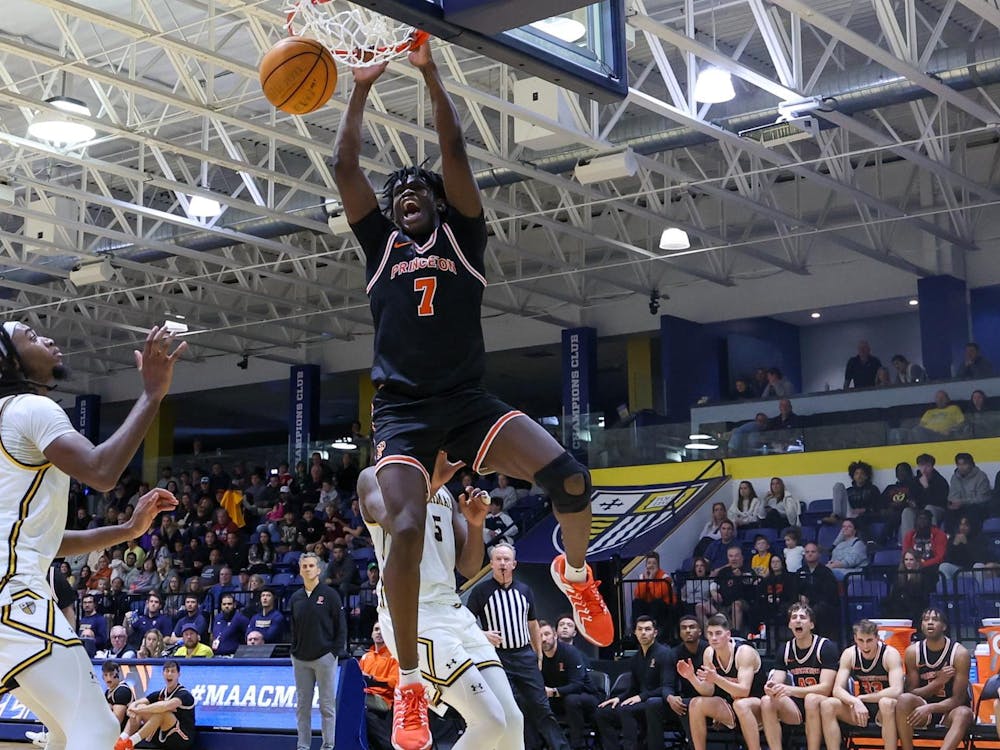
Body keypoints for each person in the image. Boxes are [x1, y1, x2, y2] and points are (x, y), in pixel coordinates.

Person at [333, 37, 611, 750]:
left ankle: (576, 575)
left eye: (420, 190)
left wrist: (428, 72)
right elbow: (344, 169)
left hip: (467, 402)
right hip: (402, 414)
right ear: (392, 214)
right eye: (401, 195)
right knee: (398, 527)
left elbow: (454, 152)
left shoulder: (463, 238)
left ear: (441, 204)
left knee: (571, 477)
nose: (410, 195)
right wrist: (361, 86)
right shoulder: (380, 250)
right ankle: (411, 687)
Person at [0, 320, 183, 750]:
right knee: (98, 730)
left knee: (65, 734)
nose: (46, 337)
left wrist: (128, 529)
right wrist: (153, 393)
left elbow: (46, 539)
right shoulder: (32, 408)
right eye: (29, 336)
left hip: (9, 593)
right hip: (15, 596)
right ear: (8, 360)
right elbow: (102, 472)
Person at [361, 461, 524, 750]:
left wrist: (476, 524)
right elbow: (398, 524)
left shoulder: (446, 493)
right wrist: (431, 484)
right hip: (413, 613)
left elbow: (469, 565)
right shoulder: (373, 477)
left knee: (512, 719)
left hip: (452, 608)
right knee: (490, 722)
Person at [467, 541, 562, 750]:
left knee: (542, 707)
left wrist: (538, 654)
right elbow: (464, 622)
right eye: (498, 559)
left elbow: (532, 623)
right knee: (507, 710)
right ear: (491, 564)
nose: (502, 563)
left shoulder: (525, 590)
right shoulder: (480, 592)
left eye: (506, 559)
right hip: (496, 658)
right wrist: (482, 634)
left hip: (524, 655)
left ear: (514, 564)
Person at [756, 604, 839, 750]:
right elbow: (778, 679)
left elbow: (826, 688)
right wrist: (771, 687)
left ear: (811, 624)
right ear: (789, 624)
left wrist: (790, 690)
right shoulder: (785, 649)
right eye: (794, 617)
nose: (798, 620)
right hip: (797, 705)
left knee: (811, 699)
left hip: (824, 704)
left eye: (802, 617)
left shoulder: (825, 647)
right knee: (767, 701)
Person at [288, 551, 346, 750]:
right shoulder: (295, 597)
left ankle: (328, 746)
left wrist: (333, 653)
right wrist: (293, 651)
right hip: (300, 659)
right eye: (304, 566)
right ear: (300, 570)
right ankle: (302, 746)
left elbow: (341, 627)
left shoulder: (330, 595)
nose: (307, 569)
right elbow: (293, 627)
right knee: (302, 707)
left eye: (311, 566)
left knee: (326, 706)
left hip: (324, 658)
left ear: (319, 570)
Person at [679, 613, 762, 750]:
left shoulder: (744, 652)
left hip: (757, 703)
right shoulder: (709, 653)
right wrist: (692, 678)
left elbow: (744, 690)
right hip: (731, 704)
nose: (714, 638)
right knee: (695, 703)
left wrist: (717, 678)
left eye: (718, 633)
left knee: (741, 704)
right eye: (710, 634)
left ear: (728, 635)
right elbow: (709, 690)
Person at [894, 609, 974, 750]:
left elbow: (958, 699)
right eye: (926, 619)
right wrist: (938, 682)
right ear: (921, 625)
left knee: (964, 713)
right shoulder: (912, 652)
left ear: (944, 626)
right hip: (923, 708)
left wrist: (931, 708)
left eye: (935, 619)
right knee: (904, 699)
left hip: (950, 711)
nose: (930, 622)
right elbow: (912, 692)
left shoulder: (959, 654)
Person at [819, 619, 904, 750]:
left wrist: (862, 699)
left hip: (887, 710)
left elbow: (896, 690)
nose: (865, 646)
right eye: (860, 640)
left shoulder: (890, 654)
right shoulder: (849, 654)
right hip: (862, 708)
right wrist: (855, 701)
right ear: (855, 638)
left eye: (869, 640)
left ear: (877, 638)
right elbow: (837, 689)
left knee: (886, 702)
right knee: (827, 705)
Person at [594, 616, 671, 750]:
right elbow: (633, 689)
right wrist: (617, 698)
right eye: (640, 629)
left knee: (626, 710)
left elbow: (667, 687)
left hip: (658, 703)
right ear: (635, 632)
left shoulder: (665, 654)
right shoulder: (636, 658)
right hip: (640, 703)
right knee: (602, 712)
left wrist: (641, 697)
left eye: (647, 629)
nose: (643, 633)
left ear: (655, 633)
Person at [646, 615, 709, 747]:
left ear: (700, 631)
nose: (688, 630)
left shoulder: (709, 650)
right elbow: (666, 684)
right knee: (653, 703)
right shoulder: (673, 653)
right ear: (680, 633)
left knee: (688, 704)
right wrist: (670, 697)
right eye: (684, 628)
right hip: (684, 701)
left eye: (692, 627)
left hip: (708, 700)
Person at [539, 619, 603, 750]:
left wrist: (553, 691)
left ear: (555, 635)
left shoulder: (570, 653)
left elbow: (577, 685)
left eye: (547, 634)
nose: (543, 639)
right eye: (539, 636)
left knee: (571, 700)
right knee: (528, 701)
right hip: (558, 698)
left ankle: (577, 746)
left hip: (586, 696)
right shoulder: (538, 656)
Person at [114, 660, 196, 750]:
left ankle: (131, 742)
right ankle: (122, 739)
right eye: (167, 671)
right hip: (163, 736)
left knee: (162, 713)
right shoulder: (161, 693)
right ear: (163, 674)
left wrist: (138, 710)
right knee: (140, 707)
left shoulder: (184, 694)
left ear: (178, 675)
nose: (169, 674)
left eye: (173, 671)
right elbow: (137, 702)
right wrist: (132, 708)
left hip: (182, 738)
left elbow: (165, 706)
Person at [359, 622, 398, 750]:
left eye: (382, 630)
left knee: (356, 703)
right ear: (371, 633)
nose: (379, 632)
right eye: (376, 629)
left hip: (382, 699)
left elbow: (393, 682)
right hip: (365, 695)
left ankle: (386, 746)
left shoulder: (393, 658)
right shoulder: (365, 657)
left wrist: (373, 679)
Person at [796, 544, 840, 642]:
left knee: (817, 610)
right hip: (803, 605)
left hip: (823, 605)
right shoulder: (800, 572)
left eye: (813, 552)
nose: (810, 554)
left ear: (819, 554)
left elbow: (830, 594)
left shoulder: (826, 572)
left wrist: (810, 600)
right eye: (807, 552)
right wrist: (799, 597)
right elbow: (794, 590)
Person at [900, 453, 949, 537]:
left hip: (937, 509)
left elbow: (939, 501)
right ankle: (908, 543)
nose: (924, 469)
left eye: (927, 466)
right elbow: (911, 496)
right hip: (919, 509)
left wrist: (927, 488)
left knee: (929, 509)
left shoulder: (940, 481)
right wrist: (912, 502)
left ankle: (930, 541)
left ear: (932, 466)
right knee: (907, 512)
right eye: (922, 466)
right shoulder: (915, 481)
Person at [631, 552, 675, 638]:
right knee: (637, 602)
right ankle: (636, 630)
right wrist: (646, 580)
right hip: (648, 605)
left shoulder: (665, 578)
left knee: (656, 602)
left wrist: (650, 580)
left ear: (658, 565)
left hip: (663, 607)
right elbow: (638, 595)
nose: (651, 565)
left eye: (654, 563)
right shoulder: (642, 576)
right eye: (649, 563)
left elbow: (658, 595)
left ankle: (652, 628)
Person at [946, 451, 991, 530]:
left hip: (979, 507)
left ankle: (972, 538)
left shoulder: (981, 476)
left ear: (971, 464)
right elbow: (952, 496)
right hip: (961, 507)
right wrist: (954, 503)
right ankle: (951, 537)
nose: (961, 467)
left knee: (973, 511)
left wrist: (963, 502)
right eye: (959, 464)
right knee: (949, 512)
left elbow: (983, 498)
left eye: (964, 464)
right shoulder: (955, 477)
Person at [828, 460, 881, 525]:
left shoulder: (873, 489)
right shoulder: (848, 491)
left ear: (866, 476)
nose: (859, 476)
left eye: (862, 473)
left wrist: (863, 510)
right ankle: (835, 516)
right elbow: (844, 506)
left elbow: (878, 507)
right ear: (853, 476)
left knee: (859, 518)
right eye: (856, 473)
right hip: (848, 514)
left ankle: (842, 518)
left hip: (865, 516)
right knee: (838, 486)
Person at [681, 557, 717, 626]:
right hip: (689, 605)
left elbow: (713, 596)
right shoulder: (689, 581)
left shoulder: (711, 581)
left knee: (699, 606)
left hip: (703, 604)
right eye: (697, 566)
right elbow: (683, 596)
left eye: (702, 565)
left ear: (705, 568)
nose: (699, 568)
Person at [104, 660, 137, 730]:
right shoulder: (108, 691)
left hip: (125, 732)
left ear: (118, 674)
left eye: (111, 674)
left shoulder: (122, 691)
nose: (108, 678)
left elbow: (116, 723)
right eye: (105, 675)